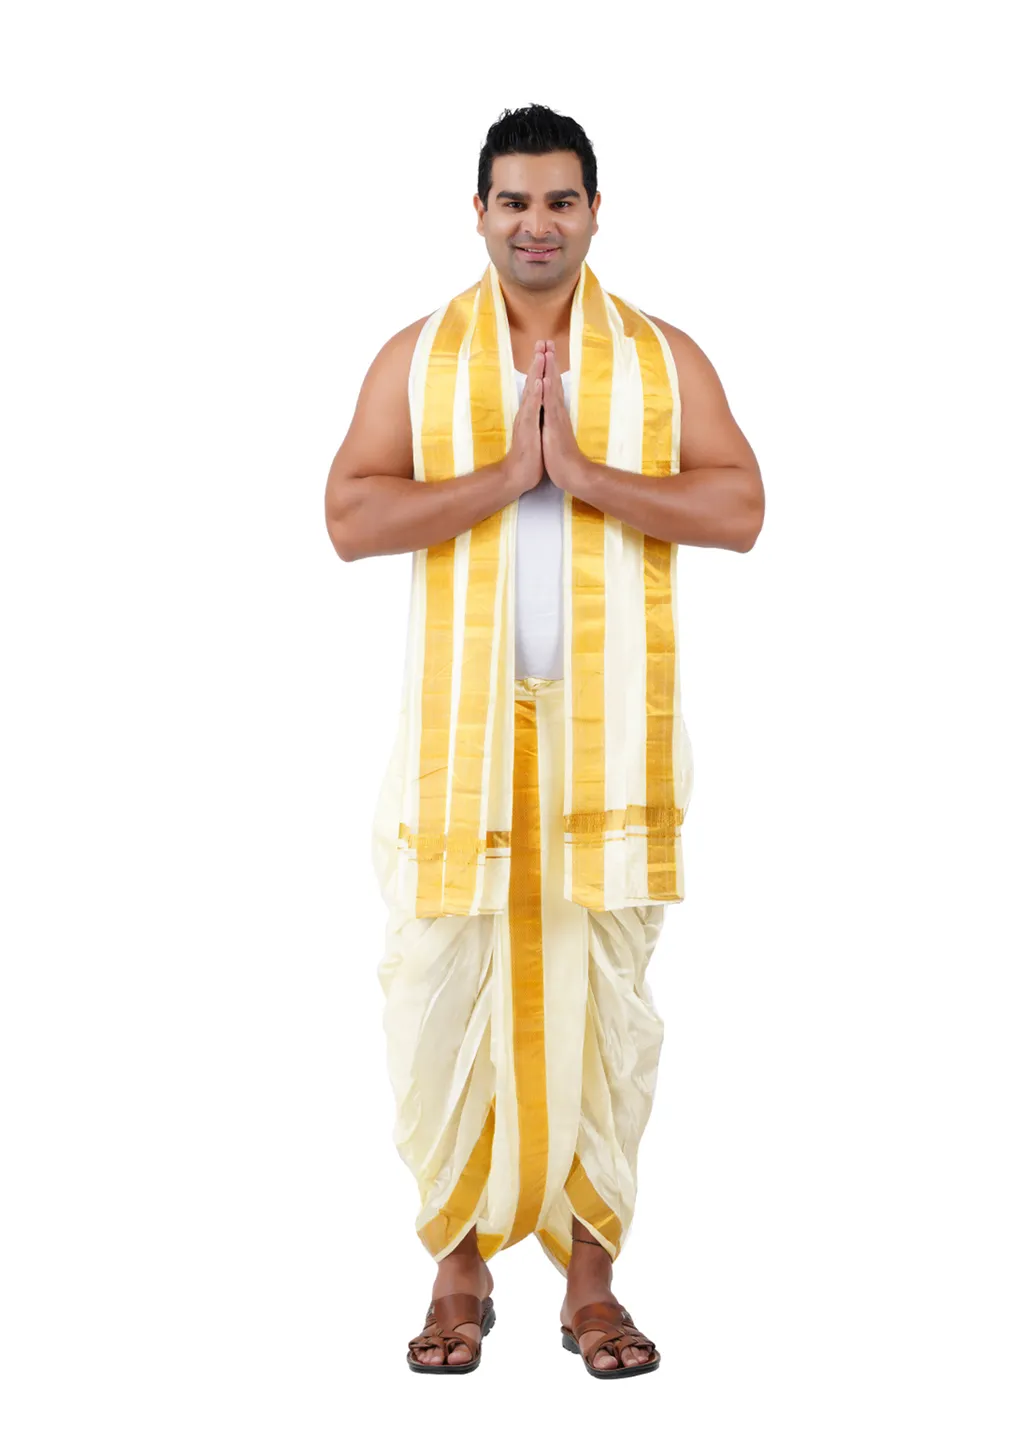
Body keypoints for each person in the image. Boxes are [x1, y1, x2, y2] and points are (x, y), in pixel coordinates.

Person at [324, 104, 763, 1377]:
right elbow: (349, 517)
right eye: (513, 201)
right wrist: (505, 480)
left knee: (604, 1000)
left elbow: (740, 506)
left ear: (594, 212)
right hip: (456, 744)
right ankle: (457, 1267)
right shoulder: (418, 357)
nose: (536, 224)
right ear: (478, 212)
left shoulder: (660, 357)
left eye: (560, 200)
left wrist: (585, 474)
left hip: (609, 742)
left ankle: (591, 1279)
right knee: (436, 986)